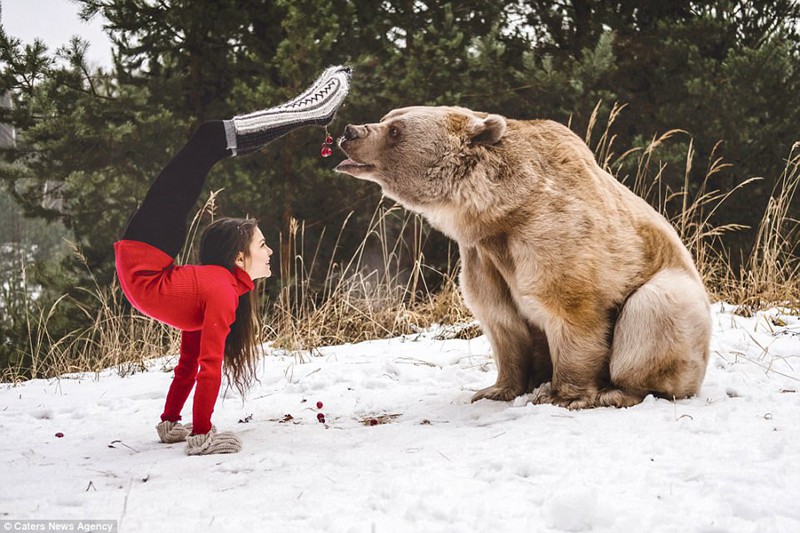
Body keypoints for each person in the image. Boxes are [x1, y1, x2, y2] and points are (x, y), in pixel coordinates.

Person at [114, 66, 351, 455]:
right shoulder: (219, 289)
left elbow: (196, 363)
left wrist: (182, 426)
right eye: (263, 246)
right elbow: (203, 365)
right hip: (144, 256)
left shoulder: (217, 287)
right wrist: (198, 432)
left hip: (144, 254)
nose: (270, 251)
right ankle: (308, 113)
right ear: (239, 260)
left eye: (262, 245)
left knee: (209, 139)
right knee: (209, 138)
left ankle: (310, 113)